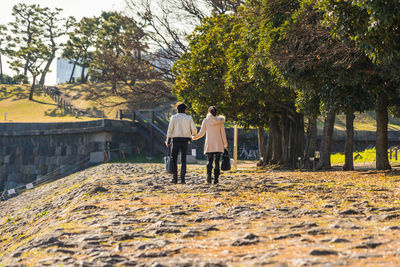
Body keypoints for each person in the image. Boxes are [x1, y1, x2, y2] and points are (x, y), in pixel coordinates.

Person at [192, 106, 228, 184]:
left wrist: (194, 137)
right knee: (217, 161)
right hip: (218, 143)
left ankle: (208, 176)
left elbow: (201, 133)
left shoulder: (206, 120)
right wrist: (225, 145)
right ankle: (216, 179)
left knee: (209, 160)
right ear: (216, 112)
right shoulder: (220, 121)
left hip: (209, 143)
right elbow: (223, 133)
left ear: (208, 112)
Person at [166, 103, 197, 184]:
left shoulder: (174, 117)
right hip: (185, 141)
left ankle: (175, 178)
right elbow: (194, 130)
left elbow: (170, 130)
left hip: (175, 140)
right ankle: (183, 179)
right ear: (185, 110)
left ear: (177, 109)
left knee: (174, 159)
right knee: (183, 159)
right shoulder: (189, 118)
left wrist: (168, 141)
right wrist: (192, 136)